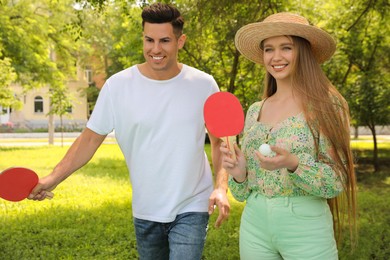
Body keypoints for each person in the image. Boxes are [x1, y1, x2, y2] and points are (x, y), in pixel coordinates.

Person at [29, 3, 230, 260]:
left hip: (192, 203)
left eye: (165, 41)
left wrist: (220, 187)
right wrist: (51, 179)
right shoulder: (118, 86)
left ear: (180, 41)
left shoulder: (204, 84)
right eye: (149, 40)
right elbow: (89, 139)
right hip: (146, 209)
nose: (155, 49)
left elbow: (219, 142)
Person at [220, 12, 357, 259]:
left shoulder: (328, 107)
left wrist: (293, 164)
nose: (276, 57)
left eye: (286, 47)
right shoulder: (254, 111)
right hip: (255, 222)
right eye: (269, 49)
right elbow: (242, 194)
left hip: (305, 226)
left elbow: (336, 181)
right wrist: (240, 174)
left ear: (303, 52)